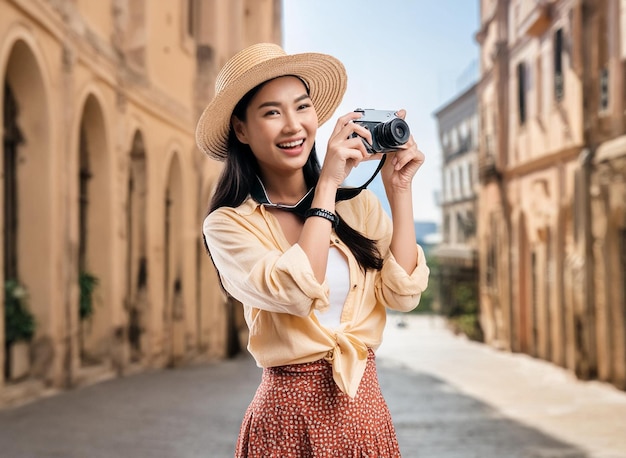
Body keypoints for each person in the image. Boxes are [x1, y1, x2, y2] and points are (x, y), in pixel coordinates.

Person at [196, 42, 429, 457]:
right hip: (286, 423)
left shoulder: (358, 205)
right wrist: (326, 186)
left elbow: (403, 293)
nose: (293, 126)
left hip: (365, 416)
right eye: (272, 112)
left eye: (302, 107)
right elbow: (298, 290)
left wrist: (399, 189)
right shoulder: (229, 224)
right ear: (241, 129)